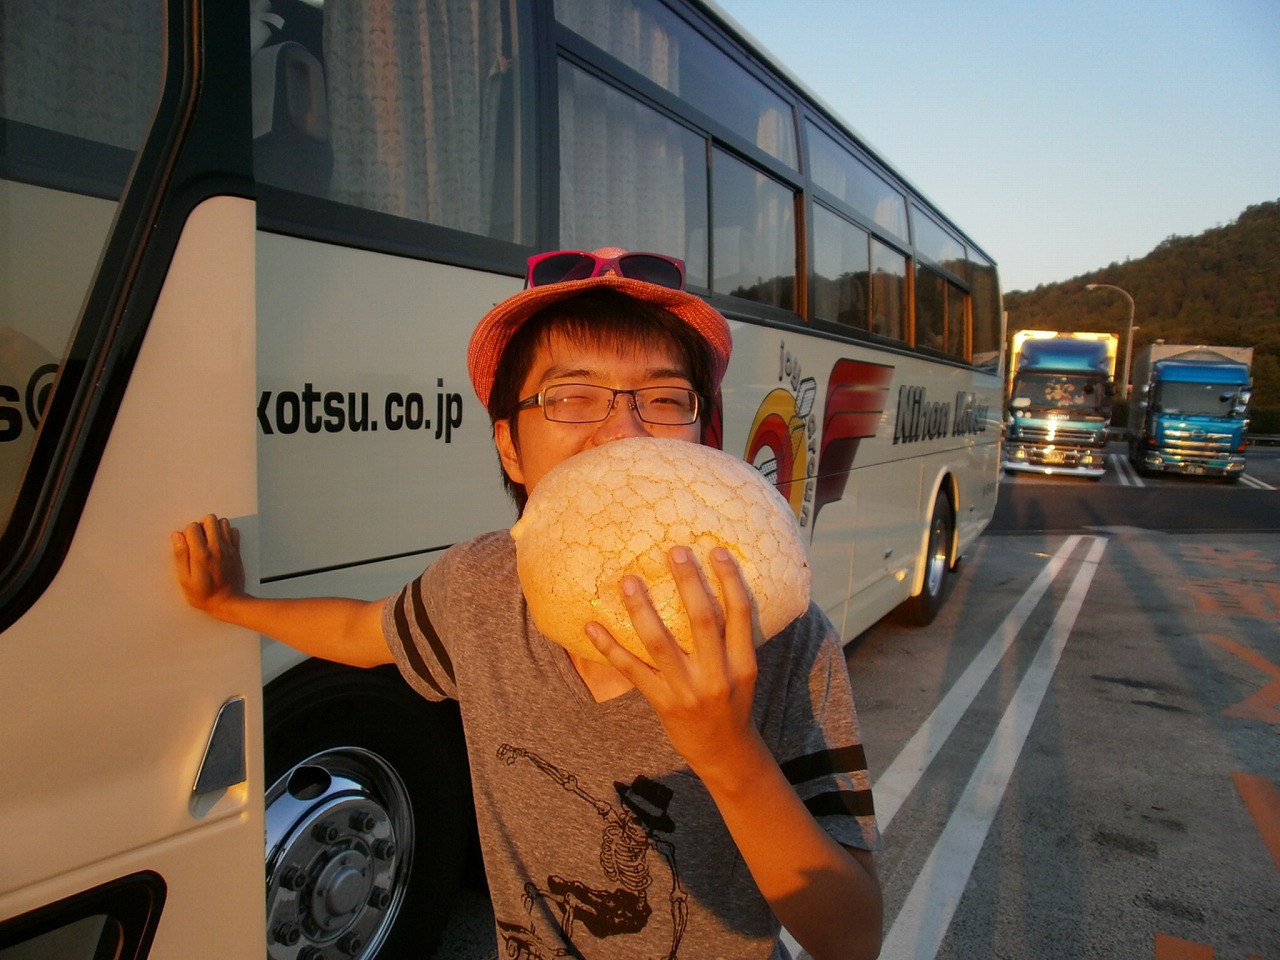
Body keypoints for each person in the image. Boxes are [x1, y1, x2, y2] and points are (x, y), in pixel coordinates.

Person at [172, 248, 883, 960]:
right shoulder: (481, 588)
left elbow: (851, 937)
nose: (624, 432)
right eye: (572, 396)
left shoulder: (780, 637)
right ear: (510, 447)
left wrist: (729, 755)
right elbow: (360, 631)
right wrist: (234, 604)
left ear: (703, 438)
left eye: (666, 399)